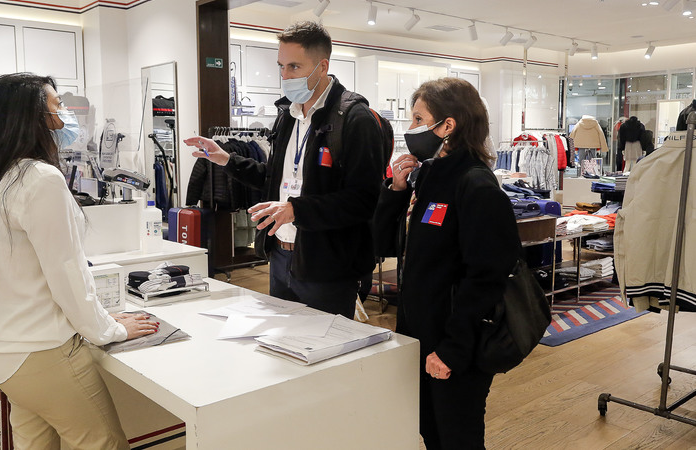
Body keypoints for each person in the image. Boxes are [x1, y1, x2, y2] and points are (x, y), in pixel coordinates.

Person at [0, 73, 159, 449]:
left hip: (7, 356)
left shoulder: (4, 177)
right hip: (46, 354)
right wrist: (110, 330)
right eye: (58, 108)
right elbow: (67, 275)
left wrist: (105, 319)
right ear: (34, 117)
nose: (65, 120)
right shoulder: (41, 179)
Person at [184, 21, 383, 318]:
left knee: (323, 354)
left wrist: (296, 210)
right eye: (281, 66)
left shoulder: (355, 119)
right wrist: (225, 158)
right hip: (279, 256)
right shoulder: (287, 115)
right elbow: (272, 178)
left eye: (294, 67)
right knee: (282, 349)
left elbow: (363, 200)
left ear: (322, 66)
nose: (285, 76)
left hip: (326, 265)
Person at [373, 77, 521, 449]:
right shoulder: (430, 176)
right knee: (431, 431)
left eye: (418, 119)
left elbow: (487, 278)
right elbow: (385, 244)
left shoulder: (476, 186)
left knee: (458, 436)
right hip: (421, 332)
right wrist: (397, 190)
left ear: (447, 126)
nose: (411, 129)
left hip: (457, 343)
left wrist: (453, 349)